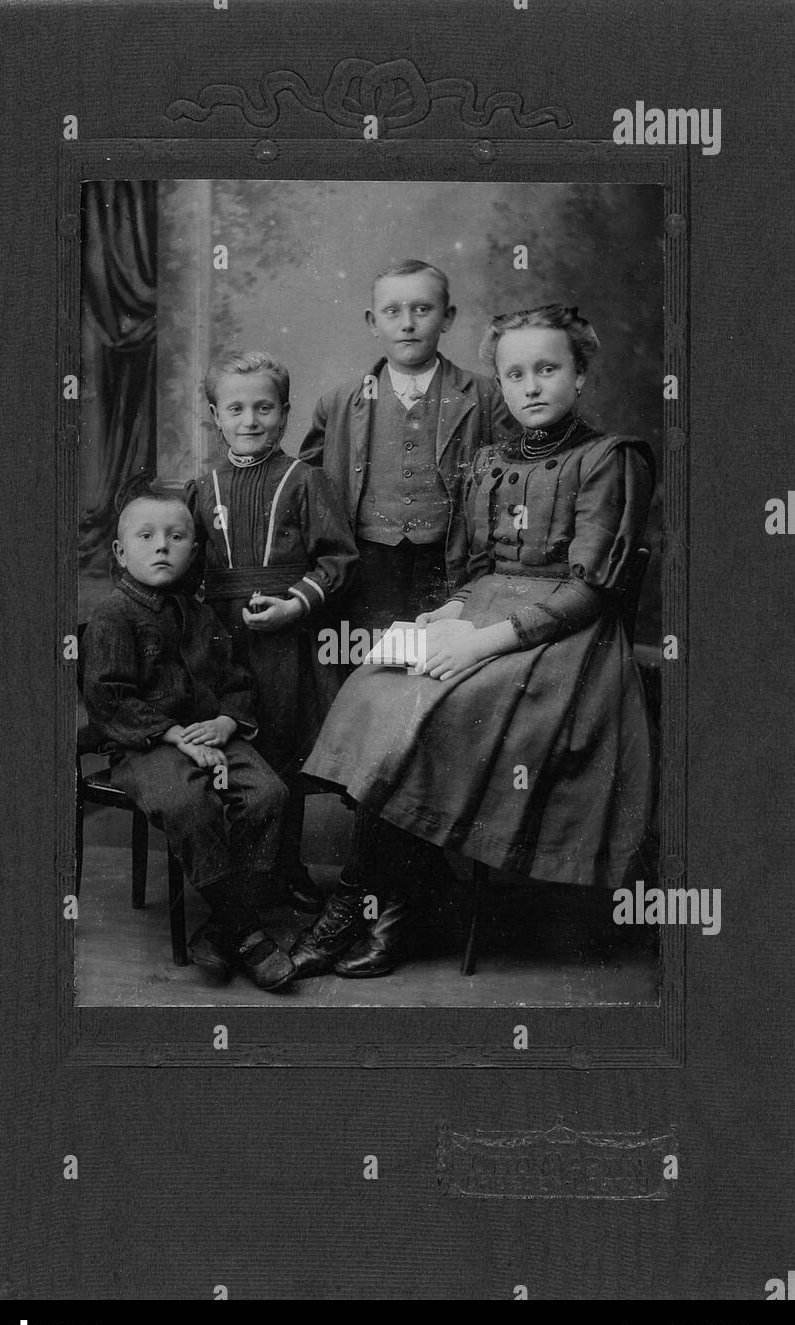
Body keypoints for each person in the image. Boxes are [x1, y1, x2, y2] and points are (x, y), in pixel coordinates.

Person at [292, 304, 655, 979]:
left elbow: (589, 591)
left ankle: (362, 908)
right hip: (483, 614)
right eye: (515, 374)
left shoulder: (610, 458)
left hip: (561, 640)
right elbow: (478, 569)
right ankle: (398, 895)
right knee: (376, 690)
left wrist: (480, 644)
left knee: (438, 714)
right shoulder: (488, 459)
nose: (531, 386)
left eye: (549, 369)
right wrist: (446, 614)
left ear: (580, 376)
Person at [79, 485, 298, 991]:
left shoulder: (201, 616)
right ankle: (246, 930)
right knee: (188, 803)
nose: (162, 547)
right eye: (147, 536)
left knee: (269, 795)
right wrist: (173, 734)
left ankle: (223, 928)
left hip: (211, 734)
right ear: (119, 551)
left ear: (193, 550)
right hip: (146, 744)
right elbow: (107, 697)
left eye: (176, 537)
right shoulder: (114, 617)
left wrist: (226, 722)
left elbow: (235, 680)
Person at [184, 350, 358, 911]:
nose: (250, 419)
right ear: (215, 415)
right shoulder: (202, 485)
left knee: (283, 748)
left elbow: (336, 561)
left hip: (287, 635)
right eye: (236, 408)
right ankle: (233, 878)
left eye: (264, 407)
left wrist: (293, 606)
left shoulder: (306, 480)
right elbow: (186, 568)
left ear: (285, 413)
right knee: (228, 746)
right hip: (219, 638)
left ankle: (288, 867)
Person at [299, 259, 513, 643]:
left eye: (422, 309)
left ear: (447, 318)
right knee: (370, 662)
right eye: (392, 311)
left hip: (450, 561)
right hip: (368, 563)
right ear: (372, 321)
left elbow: (513, 483)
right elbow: (306, 490)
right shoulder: (339, 403)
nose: (408, 323)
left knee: (440, 662)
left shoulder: (485, 396)